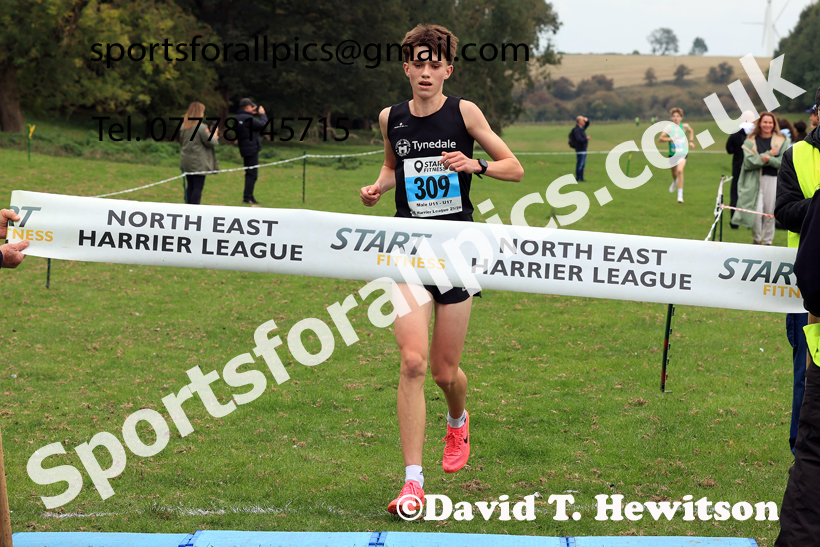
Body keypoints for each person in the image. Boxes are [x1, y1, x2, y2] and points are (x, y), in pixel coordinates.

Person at [359, 23, 523, 517]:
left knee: (444, 370)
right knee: (412, 361)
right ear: (406, 67)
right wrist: (377, 188)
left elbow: (514, 167)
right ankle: (413, 484)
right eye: (418, 63)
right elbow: (393, 168)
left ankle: (458, 419)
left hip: (458, 253)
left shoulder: (464, 112)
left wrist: (475, 166)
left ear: (447, 69)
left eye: (436, 64)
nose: (426, 72)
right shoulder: (392, 118)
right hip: (408, 252)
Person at [774, 89, 820, 545]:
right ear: (816, 115)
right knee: (805, 379)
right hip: (805, 289)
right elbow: (784, 210)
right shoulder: (799, 155)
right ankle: (799, 450)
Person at [733, 112, 790, 245]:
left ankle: (768, 242)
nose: (767, 125)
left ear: (774, 124)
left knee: (770, 212)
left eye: (770, 122)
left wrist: (767, 159)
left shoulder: (781, 141)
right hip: (754, 180)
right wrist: (768, 154)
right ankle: (757, 239)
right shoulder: (750, 141)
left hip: (773, 180)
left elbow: (782, 162)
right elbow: (748, 162)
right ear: (760, 123)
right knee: (756, 213)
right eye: (765, 122)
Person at [178, 102, 219, 205]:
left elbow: (182, 142)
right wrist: (214, 134)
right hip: (198, 162)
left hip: (186, 160)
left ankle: (188, 207)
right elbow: (211, 142)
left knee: (190, 185)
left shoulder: (183, 126)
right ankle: (194, 208)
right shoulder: (201, 127)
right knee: (197, 187)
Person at [726, 111, 757, 229]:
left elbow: (729, 149)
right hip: (753, 167)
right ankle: (750, 221)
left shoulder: (735, 134)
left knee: (735, 193)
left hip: (738, 167)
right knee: (751, 193)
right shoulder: (756, 134)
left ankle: (734, 222)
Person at [657, 107, 695, 203]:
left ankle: (680, 195)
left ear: (681, 118)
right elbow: (660, 139)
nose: (676, 118)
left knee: (680, 171)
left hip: (683, 153)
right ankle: (674, 182)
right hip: (672, 154)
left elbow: (691, 131)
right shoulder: (669, 128)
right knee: (674, 173)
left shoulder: (685, 126)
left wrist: (691, 141)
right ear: (671, 117)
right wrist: (671, 138)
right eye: (674, 116)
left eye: (678, 116)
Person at [235, 98, 268, 205]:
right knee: (252, 174)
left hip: (244, 148)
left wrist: (252, 115)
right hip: (252, 148)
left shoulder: (238, 117)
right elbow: (262, 125)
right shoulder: (248, 118)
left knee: (250, 173)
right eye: (252, 107)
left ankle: (249, 196)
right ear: (248, 107)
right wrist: (262, 114)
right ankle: (247, 197)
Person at [570, 115, 591, 182]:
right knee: (580, 164)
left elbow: (587, 124)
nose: (584, 121)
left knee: (583, 164)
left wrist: (587, 120)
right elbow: (579, 139)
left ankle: (581, 178)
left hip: (583, 149)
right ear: (579, 122)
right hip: (580, 149)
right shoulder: (577, 130)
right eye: (583, 120)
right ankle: (578, 178)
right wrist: (586, 139)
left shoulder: (581, 129)